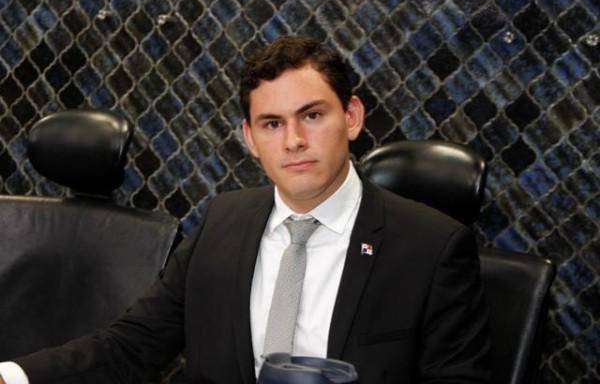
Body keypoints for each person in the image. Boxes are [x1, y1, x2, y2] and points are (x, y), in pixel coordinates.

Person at [0, 35, 490, 383]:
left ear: (352, 117)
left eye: (312, 115)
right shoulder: (223, 221)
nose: (294, 141)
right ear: (250, 139)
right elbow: (132, 345)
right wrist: (12, 376)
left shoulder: (432, 248)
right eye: (272, 124)